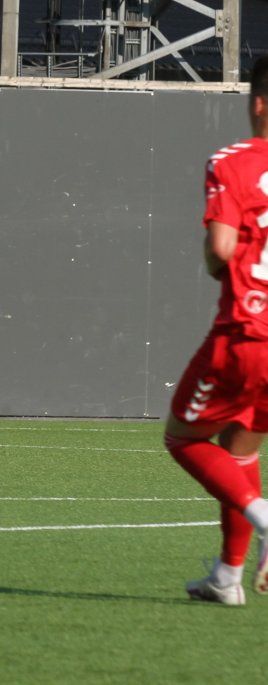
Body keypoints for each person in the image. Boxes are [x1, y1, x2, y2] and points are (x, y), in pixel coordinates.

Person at [166, 53, 268, 605]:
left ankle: (262, 514)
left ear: (256, 103)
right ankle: (228, 578)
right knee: (240, 447)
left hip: (249, 334)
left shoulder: (233, 161)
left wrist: (217, 265)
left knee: (182, 438)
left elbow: (221, 249)